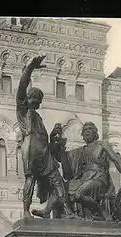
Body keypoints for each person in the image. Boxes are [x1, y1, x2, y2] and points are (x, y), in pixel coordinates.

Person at [16, 55, 75, 219]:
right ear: (28, 98)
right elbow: (21, 87)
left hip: (43, 151)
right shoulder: (22, 111)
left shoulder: (38, 117)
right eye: (34, 97)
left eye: (39, 99)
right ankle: (26, 212)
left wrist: (53, 135)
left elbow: (45, 140)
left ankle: (69, 212)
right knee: (31, 178)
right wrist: (30, 69)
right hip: (31, 148)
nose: (37, 101)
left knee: (57, 178)